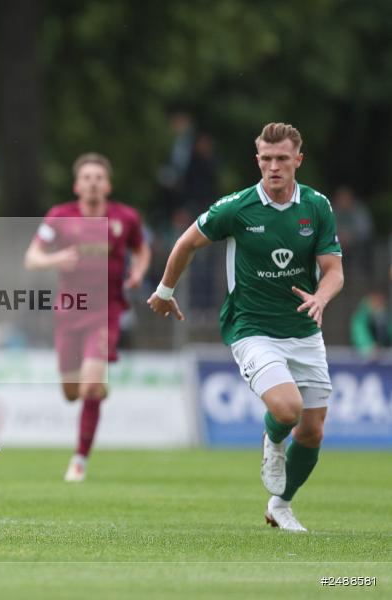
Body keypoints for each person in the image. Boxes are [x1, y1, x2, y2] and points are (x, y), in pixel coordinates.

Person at [147, 123, 344, 532]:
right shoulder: (235, 208)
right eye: (267, 159)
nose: (274, 167)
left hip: (304, 329)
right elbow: (185, 243)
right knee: (287, 410)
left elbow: (334, 271)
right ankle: (272, 442)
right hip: (251, 327)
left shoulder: (317, 206)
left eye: (282, 159)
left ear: (297, 161)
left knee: (313, 431)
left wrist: (320, 297)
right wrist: (165, 290)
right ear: (258, 160)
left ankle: (281, 505)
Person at [24, 153, 150, 483]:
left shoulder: (126, 217)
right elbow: (32, 258)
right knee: (71, 392)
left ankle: (79, 460)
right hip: (69, 312)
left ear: (107, 185)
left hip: (105, 311)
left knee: (91, 387)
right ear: (77, 185)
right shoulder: (59, 216)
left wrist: (138, 271)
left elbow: (141, 248)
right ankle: (94, 388)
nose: (93, 182)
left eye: (99, 177)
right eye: (87, 177)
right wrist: (56, 260)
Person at [350, 290, 391, 360]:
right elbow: (359, 333)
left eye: (380, 302)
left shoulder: (386, 316)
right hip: (362, 360)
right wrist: (369, 347)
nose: (379, 305)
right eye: (375, 302)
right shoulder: (361, 317)